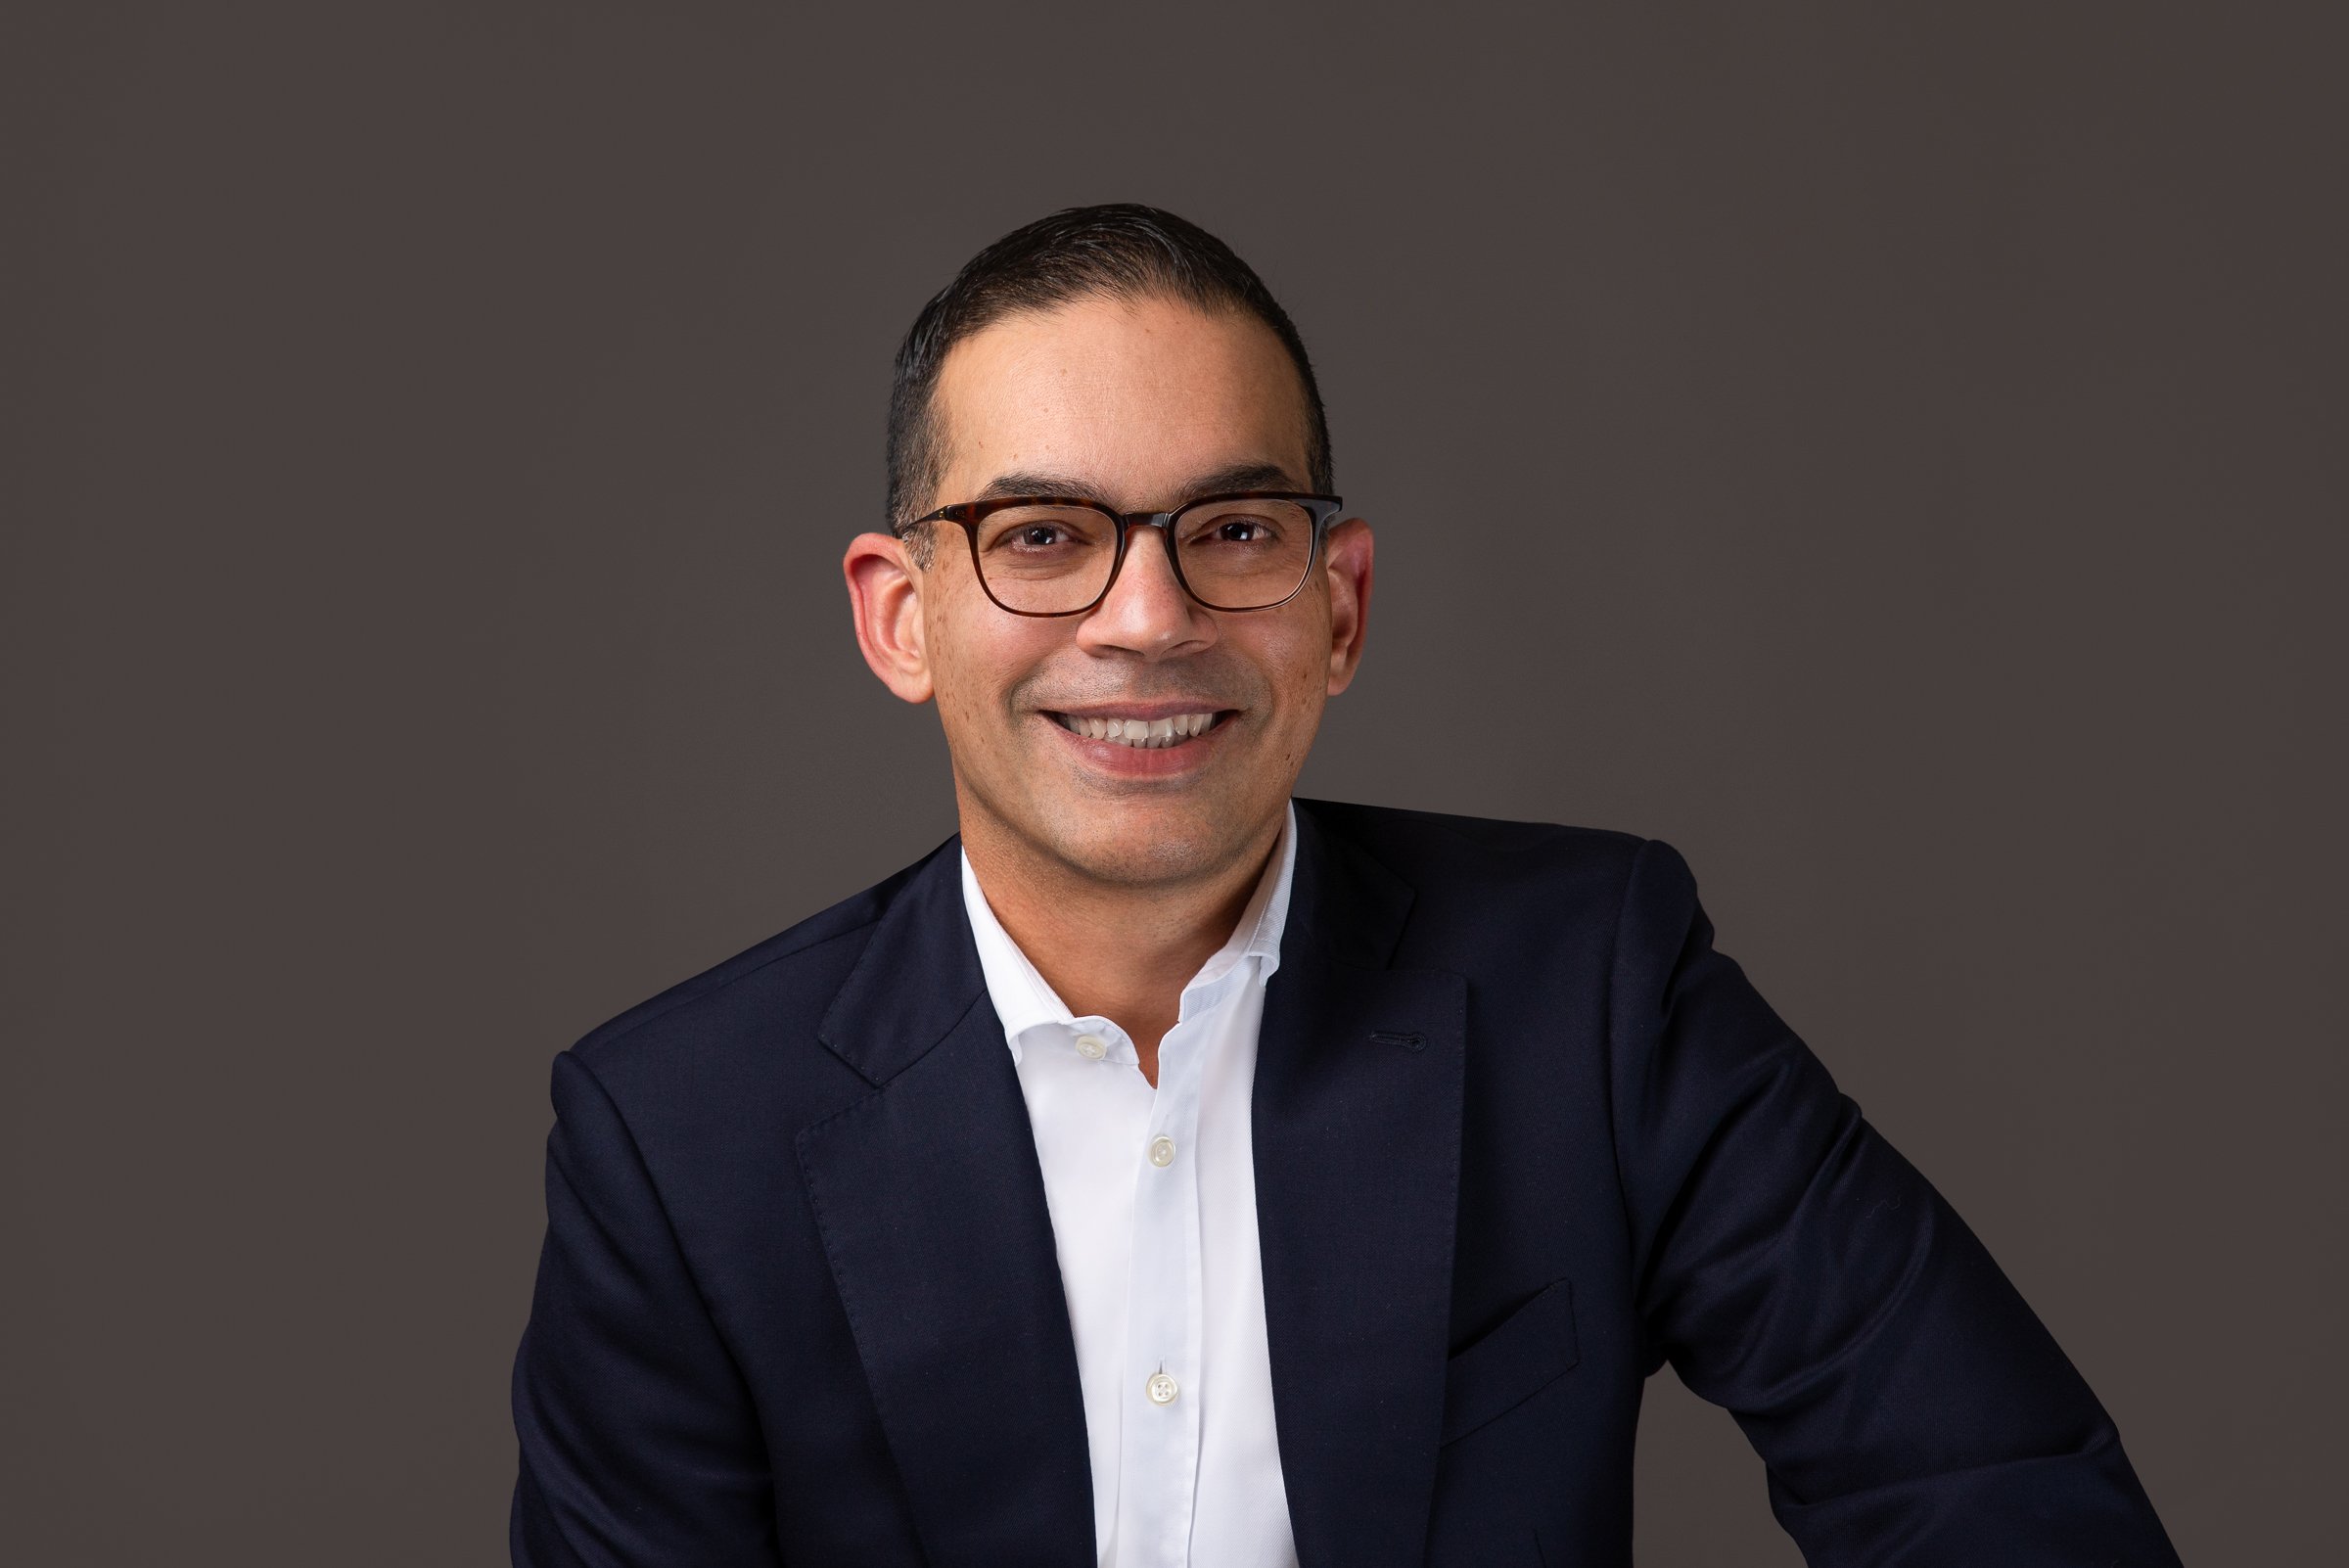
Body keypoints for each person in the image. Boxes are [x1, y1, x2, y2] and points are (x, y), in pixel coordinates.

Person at [508, 204, 2179, 1567]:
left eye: (1233, 530)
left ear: (1342, 605)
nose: (1148, 618)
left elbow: (2002, 1497)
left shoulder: (1592, 993)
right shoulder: (678, 1140)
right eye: (1039, 535)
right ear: (900, 615)